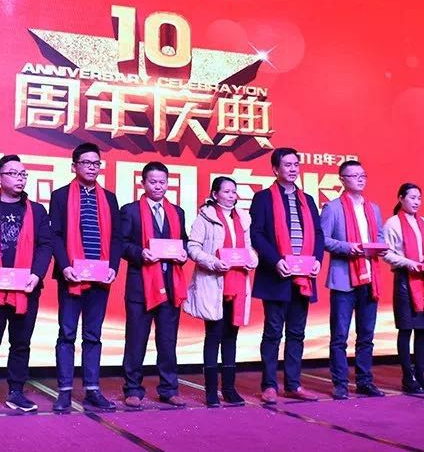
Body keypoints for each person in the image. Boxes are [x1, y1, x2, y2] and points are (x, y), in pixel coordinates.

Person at [0, 154, 53, 413]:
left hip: (26, 288)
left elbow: (45, 245)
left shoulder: (37, 211)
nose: (20, 178)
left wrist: (36, 276)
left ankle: (16, 392)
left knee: (21, 343)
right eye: (13, 173)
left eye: (23, 174)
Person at [49, 143, 121, 412]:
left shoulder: (110, 198)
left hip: (100, 277)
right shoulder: (60, 196)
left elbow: (116, 237)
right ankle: (64, 391)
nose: (92, 167)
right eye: (86, 163)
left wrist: (113, 266)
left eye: (96, 163)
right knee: (66, 334)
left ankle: (92, 390)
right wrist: (64, 266)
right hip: (71, 275)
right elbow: (55, 235)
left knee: (93, 335)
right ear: (74, 166)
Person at [250, 147, 324, 404]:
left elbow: (318, 234)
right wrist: (276, 261)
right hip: (276, 275)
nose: (293, 169)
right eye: (287, 165)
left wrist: (317, 260)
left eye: (296, 165)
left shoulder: (308, 200)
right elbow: (257, 234)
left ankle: (293, 384)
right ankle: (269, 385)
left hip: (303, 277)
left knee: (297, 333)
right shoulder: (263, 198)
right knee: (273, 332)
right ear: (275, 169)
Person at [119, 162, 189, 409]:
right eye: (153, 182)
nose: (158, 186)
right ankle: (133, 389)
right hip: (141, 286)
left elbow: (184, 241)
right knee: (136, 340)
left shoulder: (177, 212)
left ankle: (169, 389)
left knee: (168, 341)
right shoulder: (130, 211)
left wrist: (184, 253)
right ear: (143, 183)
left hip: (170, 285)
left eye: (162, 182)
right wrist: (140, 253)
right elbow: (121, 244)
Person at [184, 176, 258, 406]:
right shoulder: (205, 217)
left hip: (238, 283)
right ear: (215, 194)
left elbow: (249, 248)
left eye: (234, 191)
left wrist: (252, 260)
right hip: (214, 282)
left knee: (231, 337)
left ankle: (229, 389)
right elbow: (192, 247)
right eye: (226, 191)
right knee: (213, 336)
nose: (231, 195)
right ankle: (210, 391)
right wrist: (213, 262)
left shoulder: (243, 218)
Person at [322, 160, 386, 400]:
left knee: (366, 335)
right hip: (343, 279)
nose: (360, 179)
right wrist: (348, 247)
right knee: (340, 336)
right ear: (342, 179)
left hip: (369, 277)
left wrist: (379, 247)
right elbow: (323, 239)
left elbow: (379, 236)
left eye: (363, 175)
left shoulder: (373, 208)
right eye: (354, 175)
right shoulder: (332, 208)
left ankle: (364, 381)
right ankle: (340, 383)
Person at [382, 183, 424, 394]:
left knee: (422, 330)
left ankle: (421, 374)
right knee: (406, 329)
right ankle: (407, 377)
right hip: (405, 279)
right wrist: (408, 263)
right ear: (401, 198)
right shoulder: (392, 223)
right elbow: (386, 253)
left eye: (419, 198)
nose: (417, 202)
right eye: (412, 197)